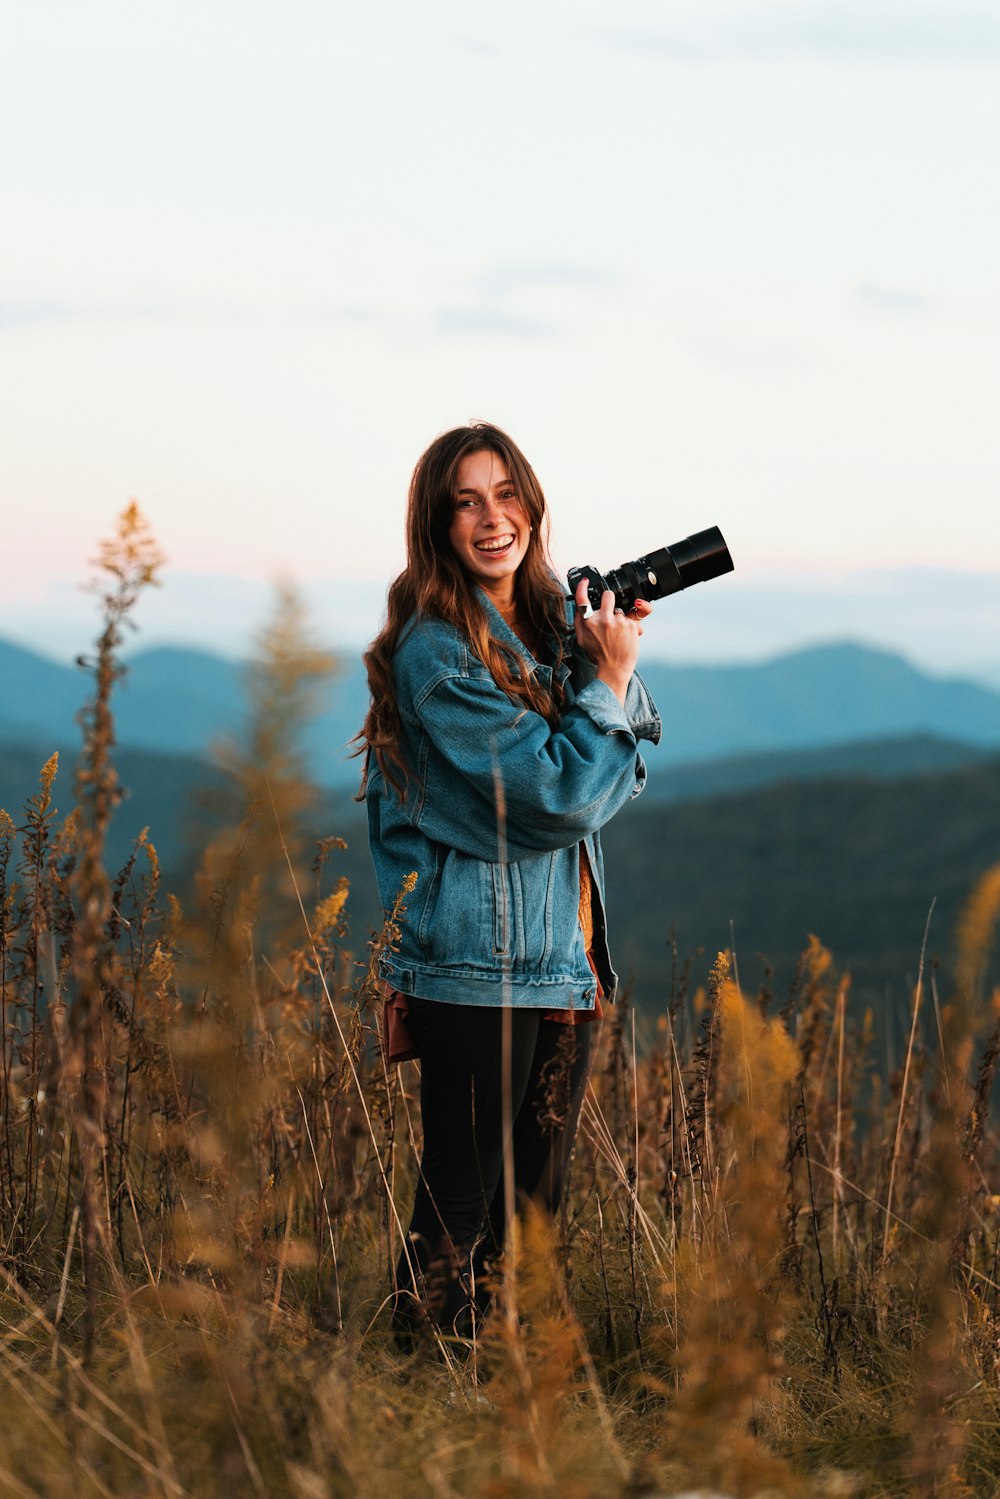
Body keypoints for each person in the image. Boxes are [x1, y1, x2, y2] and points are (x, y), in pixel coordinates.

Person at [358, 421, 660, 1346]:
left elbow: (626, 764)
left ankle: (502, 1419)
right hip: (477, 964)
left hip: (560, 961)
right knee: (456, 1209)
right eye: (465, 502)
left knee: (531, 1222)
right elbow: (565, 792)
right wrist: (603, 683)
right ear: (437, 526)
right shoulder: (438, 652)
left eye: (506, 494)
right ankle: (405, 1402)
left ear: (531, 503)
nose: (493, 519)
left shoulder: (534, 631)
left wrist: (597, 660)